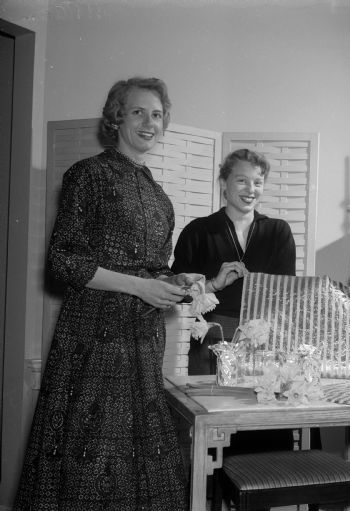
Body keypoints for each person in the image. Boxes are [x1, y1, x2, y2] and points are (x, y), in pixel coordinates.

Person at [14, 77, 201, 510]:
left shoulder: (160, 197)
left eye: (157, 114)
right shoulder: (88, 174)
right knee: (92, 467)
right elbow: (64, 261)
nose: (149, 122)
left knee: (146, 472)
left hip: (142, 345)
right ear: (117, 117)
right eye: (138, 112)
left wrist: (176, 281)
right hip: (93, 344)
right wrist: (141, 286)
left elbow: (153, 268)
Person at [171, 147, 301, 453]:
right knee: (214, 434)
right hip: (210, 345)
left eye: (257, 182)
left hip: (265, 348)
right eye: (242, 181)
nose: (250, 189)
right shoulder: (198, 232)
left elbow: (287, 294)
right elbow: (178, 293)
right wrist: (213, 284)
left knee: (263, 438)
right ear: (224, 183)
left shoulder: (278, 231)